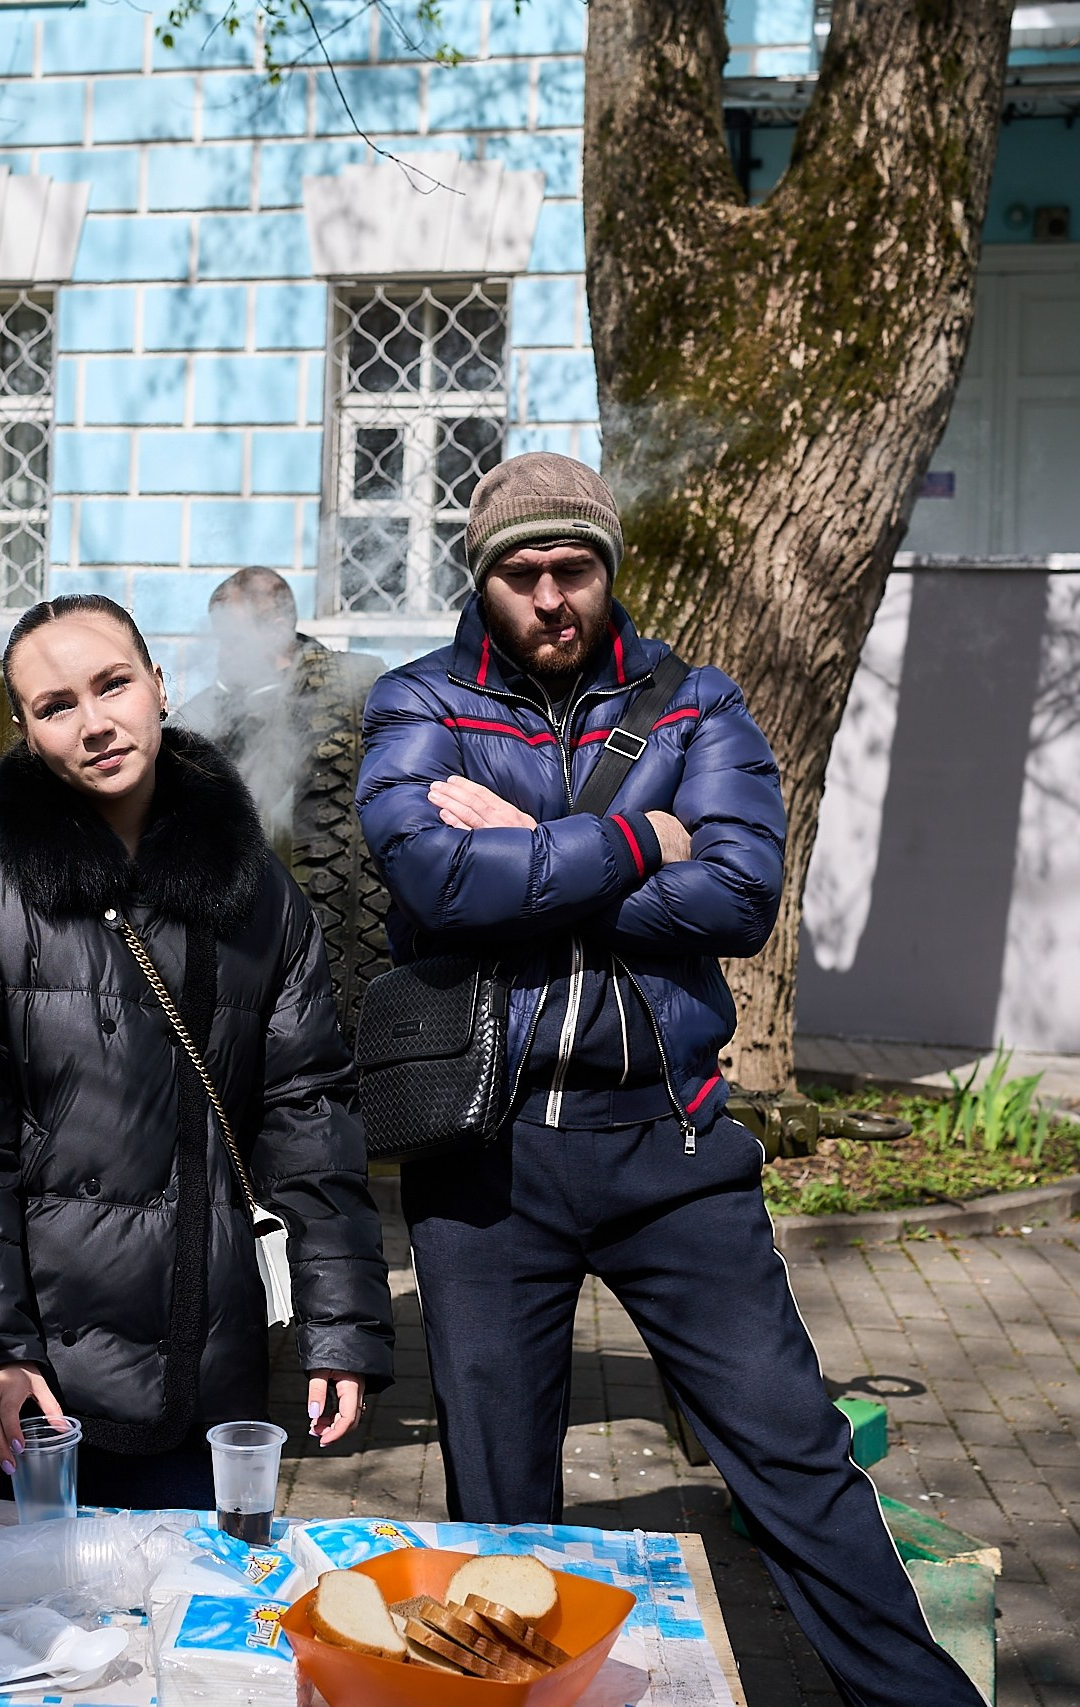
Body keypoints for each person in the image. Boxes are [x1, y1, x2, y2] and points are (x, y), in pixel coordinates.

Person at [356, 453, 982, 1705]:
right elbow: (432, 880)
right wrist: (644, 837)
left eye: (571, 569)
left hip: (675, 1150)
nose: (549, 597)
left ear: (607, 571)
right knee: (498, 1511)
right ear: (480, 583)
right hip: (489, 1163)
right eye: (520, 574)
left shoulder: (699, 705)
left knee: (795, 1458)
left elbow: (741, 896)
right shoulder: (413, 701)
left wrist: (525, 860)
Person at [0, 593, 393, 1508]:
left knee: (182, 1632)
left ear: (160, 686)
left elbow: (309, 1111)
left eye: (112, 684)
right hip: (21, 1382)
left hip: (202, 1359)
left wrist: (342, 1322)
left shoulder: (259, 890)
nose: (93, 724)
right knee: (7, 1637)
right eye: (55, 706)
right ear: (25, 731)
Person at [177, 567, 389, 1032]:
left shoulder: (356, 692)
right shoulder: (212, 712)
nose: (224, 653)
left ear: (276, 627)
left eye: (233, 638)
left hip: (346, 935)